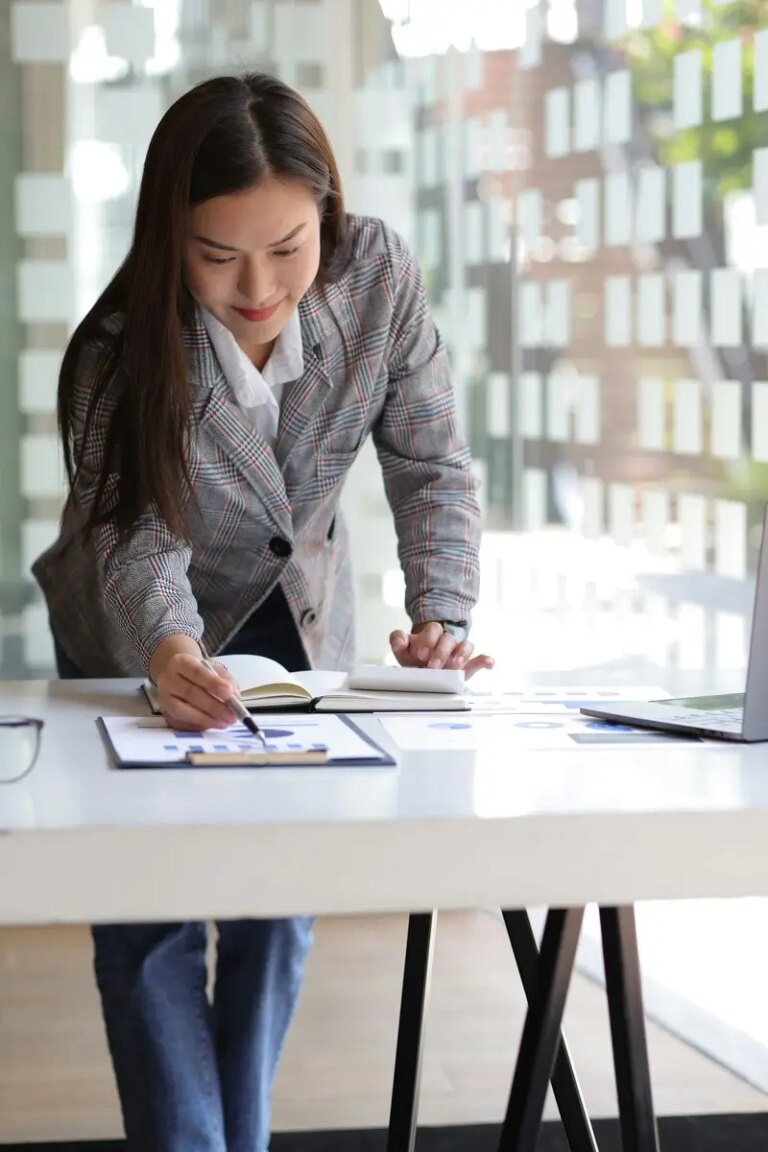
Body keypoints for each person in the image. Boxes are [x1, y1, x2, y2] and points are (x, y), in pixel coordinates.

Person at [32, 71, 492, 1152]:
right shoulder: (115, 352)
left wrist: (444, 615)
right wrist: (169, 640)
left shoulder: (374, 273)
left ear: (326, 212)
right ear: (168, 239)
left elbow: (431, 462)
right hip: (136, 631)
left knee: (277, 911)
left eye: (288, 249)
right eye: (217, 255)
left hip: (298, 621)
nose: (258, 288)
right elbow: (129, 533)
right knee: (149, 924)